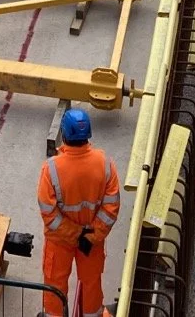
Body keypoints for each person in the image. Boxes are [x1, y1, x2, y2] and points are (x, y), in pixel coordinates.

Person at [38, 108, 121, 317]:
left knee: (54, 286)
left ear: (64, 135)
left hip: (60, 241)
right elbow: (111, 209)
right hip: (91, 242)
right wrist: (90, 235)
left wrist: (74, 234)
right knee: (92, 283)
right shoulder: (105, 165)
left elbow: (49, 213)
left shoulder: (51, 170)